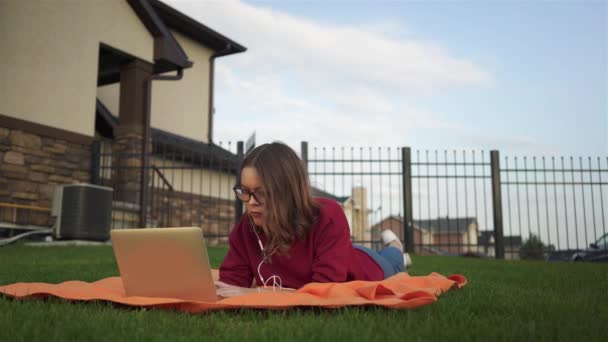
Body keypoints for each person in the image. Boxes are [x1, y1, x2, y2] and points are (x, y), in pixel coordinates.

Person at [216, 142, 408, 298]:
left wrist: (257, 293)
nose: (251, 203)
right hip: (339, 252)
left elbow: (323, 292)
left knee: (392, 260)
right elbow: (230, 285)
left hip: (367, 266)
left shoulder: (328, 216)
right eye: (246, 192)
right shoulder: (246, 227)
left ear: (288, 191)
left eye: (262, 193)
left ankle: (395, 245)